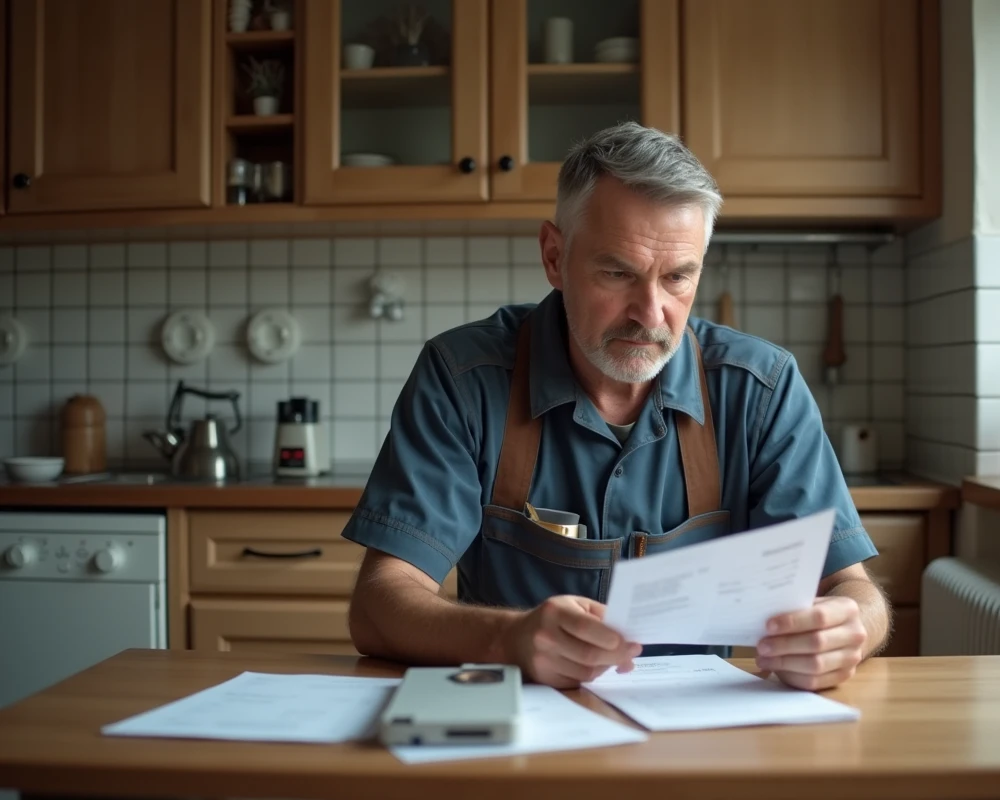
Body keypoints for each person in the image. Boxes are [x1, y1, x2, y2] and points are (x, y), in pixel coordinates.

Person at [342, 122, 891, 690]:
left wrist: (849, 630)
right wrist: (509, 640)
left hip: (699, 742)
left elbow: (852, 589)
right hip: (518, 737)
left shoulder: (760, 390)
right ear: (554, 257)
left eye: (678, 277)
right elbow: (380, 606)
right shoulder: (463, 380)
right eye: (617, 273)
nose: (650, 315)